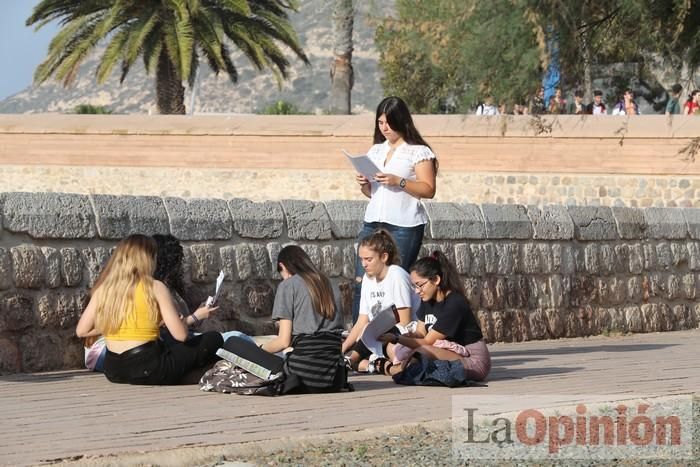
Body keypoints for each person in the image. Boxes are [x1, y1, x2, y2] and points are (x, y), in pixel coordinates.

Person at [76, 234, 223, 385]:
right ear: (148, 258)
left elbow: (81, 331)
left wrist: (113, 324)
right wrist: (192, 318)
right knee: (213, 338)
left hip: (114, 369)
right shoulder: (155, 287)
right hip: (148, 366)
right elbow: (181, 336)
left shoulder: (105, 289)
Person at [352, 96, 437, 323]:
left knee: (396, 282)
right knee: (363, 281)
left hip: (404, 226)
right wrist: (365, 184)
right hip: (373, 223)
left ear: (401, 120)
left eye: (389, 122)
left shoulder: (418, 152)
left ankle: (397, 339)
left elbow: (428, 189)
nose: (385, 127)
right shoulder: (376, 151)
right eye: (380, 122)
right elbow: (374, 193)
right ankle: (359, 341)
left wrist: (398, 181)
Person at [378, 251, 491, 382]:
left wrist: (396, 338)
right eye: (414, 286)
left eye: (420, 285)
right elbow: (421, 333)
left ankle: (397, 369)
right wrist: (407, 336)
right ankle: (405, 367)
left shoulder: (454, 303)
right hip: (444, 351)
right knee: (393, 348)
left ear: (436, 280)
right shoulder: (427, 300)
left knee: (421, 350)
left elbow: (426, 342)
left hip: (473, 360)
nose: (416, 291)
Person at [342, 229, 420, 373]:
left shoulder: (396, 275)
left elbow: (405, 321)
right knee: (351, 341)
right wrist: (343, 348)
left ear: (384, 257)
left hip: (400, 335)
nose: (364, 264)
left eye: (368, 259)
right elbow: (362, 320)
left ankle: (355, 360)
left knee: (374, 335)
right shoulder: (367, 278)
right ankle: (375, 365)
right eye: (361, 259)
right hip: (376, 337)